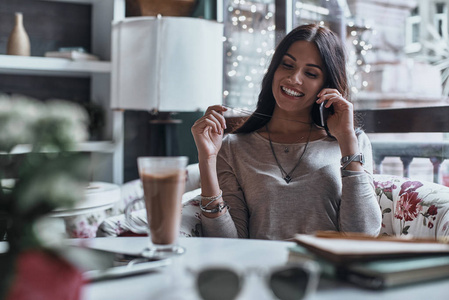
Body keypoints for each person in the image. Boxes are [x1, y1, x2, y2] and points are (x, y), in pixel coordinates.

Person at [191, 24, 381, 240]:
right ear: (274, 70)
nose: (294, 79)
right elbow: (227, 243)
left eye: (310, 73)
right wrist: (207, 159)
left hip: (328, 270)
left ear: (326, 85)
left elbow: (363, 234)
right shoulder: (233, 148)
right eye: (287, 65)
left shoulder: (353, 142)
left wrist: (347, 142)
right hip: (261, 270)